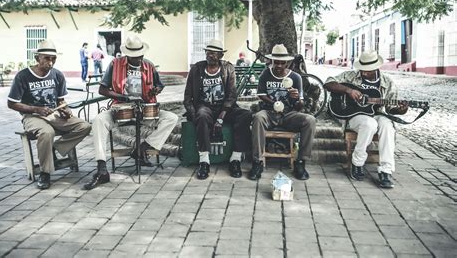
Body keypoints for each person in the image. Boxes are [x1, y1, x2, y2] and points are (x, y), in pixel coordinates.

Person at [84, 36, 178, 190]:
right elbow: (102, 89)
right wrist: (122, 96)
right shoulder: (115, 64)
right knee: (99, 120)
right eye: (134, 57)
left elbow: (160, 85)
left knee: (171, 118)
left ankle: (142, 149)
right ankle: (101, 169)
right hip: (121, 109)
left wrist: (157, 90)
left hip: (146, 110)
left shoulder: (149, 65)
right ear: (127, 55)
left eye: (140, 56)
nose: (138, 59)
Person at [7, 40, 91, 189]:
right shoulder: (23, 76)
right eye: (47, 58)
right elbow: (12, 103)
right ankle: (45, 173)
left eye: (53, 59)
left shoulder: (57, 75)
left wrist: (65, 110)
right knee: (47, 132)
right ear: (37, 58)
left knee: (84, 126)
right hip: (31, 116)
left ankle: (54, 148)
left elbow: (60, 100)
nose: (50, 62)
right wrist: (35, 109)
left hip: (53, 114)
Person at [323, 50, 408, 188]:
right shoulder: (351, 76)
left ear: (376, 68)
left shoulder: (387, 82)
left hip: (378, 113)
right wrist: (348, 91)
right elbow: (328, 83)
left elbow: (391, 108)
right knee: (370, 124)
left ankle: (386, 170)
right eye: (362, 70)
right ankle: (357, 163)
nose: (363, 73)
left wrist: (401, 110)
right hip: (356, 116)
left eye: (367, 70)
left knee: (387, 125)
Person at [184, 39, 252, 180]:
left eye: (214, 53)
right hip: (204, 107)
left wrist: (221, 118)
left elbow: (232, 96)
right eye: (208, 52)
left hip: (225, 108)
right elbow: (187, 96)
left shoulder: (228, 68)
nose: (210, 55)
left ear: (221, 55)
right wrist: (193, 114)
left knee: (245, 115)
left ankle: (235, 159)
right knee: (201, 115)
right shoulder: (196, 69)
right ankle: (204, 161)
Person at [249, 44, 316, 181]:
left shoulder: (296, 78)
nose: (279, 65)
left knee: (310, 120)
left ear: (287, 62)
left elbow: (299, 107)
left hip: (289, 114)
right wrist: (273, 103)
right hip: (269, 112)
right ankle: (257, 162)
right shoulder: (265, 74)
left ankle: (301, 162)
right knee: (258, 118)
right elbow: (261, 94)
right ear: (271, 61)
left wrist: (297, 98)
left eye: (282, 63)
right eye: (276, 62)